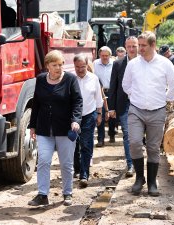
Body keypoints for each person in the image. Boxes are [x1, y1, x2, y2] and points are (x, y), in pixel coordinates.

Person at [123, 31, 174, 196]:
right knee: (134, 142)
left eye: (143, 45)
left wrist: (164, 99)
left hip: (157, 111)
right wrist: (134, 96)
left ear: (153, 45)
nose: (139, 49)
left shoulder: (165, 64)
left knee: (153, 147)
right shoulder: (133, 64)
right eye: (138, 45)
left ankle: (152, 182)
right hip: (136, 110)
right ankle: (139, 178)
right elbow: (126, 85)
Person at [28, 50, 83, 207]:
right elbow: (36, 103)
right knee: (44, 161)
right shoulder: (40, 80)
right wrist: (32, 126)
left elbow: (77, 102)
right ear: (47, 66)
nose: (58, 68)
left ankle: (67, 193)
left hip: (65, 128)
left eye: (60, 64)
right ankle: (42, 194)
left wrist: (76, 120)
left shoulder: (70, 79)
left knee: (66, 163)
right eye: (55, 65)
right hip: (44, 128)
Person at [108, 36, 138, 178]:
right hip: (124, 104)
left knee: (139, 136)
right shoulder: (118, 64)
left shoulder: (144, 62)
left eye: (134, 46)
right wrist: (111, 107)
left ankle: (139, 160)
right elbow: (113, 86)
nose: (132, 49)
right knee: (127, 134)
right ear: (125, 47)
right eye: (129, 46)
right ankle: (131, 164)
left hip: (142, 103)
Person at [73, 54, 103, 188]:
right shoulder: (70, 79)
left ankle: (84, 174)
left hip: (89, 115)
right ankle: (77, 167)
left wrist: (100, 113)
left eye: (83, 67)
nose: (80, 70)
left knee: (86, 144)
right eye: (77, 67)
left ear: (87, 66)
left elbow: (98, 97)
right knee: (74, 144)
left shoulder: (93, 78)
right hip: (73, 116)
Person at [93, 46, 115, 146]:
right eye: (102, 55)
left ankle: (111, 134)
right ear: (99, 55)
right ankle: (100, 139)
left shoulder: (114, 64)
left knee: (111, 114)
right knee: (100, 114)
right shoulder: (95, 64)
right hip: (100, 92)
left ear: (110, 56)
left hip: (111, 92)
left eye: (106, 55)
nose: (104, 57)